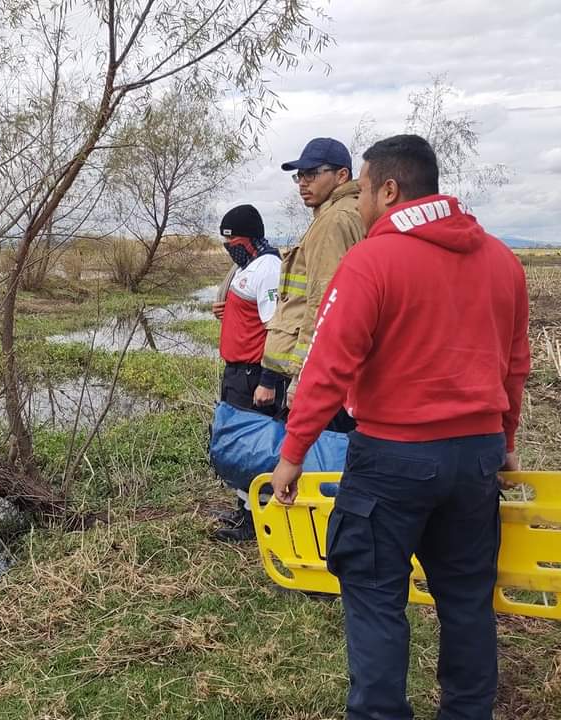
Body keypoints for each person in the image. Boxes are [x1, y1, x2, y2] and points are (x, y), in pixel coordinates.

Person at [269, 134, 531, 720]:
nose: (360, 203)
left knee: (375, 596)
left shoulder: (372, 260)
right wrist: (506, 442)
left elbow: (328, 364)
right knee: (466, 602)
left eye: (362, 190)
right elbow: (515, 364)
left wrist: (292, 453)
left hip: (392, 460)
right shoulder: (501, 260)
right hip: (477, 459)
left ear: (389, 189)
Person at [257, 137, 364, 425]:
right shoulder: (349, 212)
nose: (303, 183)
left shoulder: (334, 221)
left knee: (317, 462)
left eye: (313, 174)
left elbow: (323, 302)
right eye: (300, 176)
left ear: (342, 175)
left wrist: (301, 376)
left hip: (323, 375)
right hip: (345, 373)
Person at [209, 204, 281, 542]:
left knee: (254, 446)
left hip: (254, 374)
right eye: (226, 242)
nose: (230, 247)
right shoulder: (246, 266)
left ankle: (258, 521)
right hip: (236, 371)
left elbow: (275, 328)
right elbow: (248, 312)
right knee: (238, 444)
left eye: (235, 240)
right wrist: (227, 312)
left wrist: (269, 380)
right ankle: (244, 511)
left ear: (251, 238)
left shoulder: (268, 267)